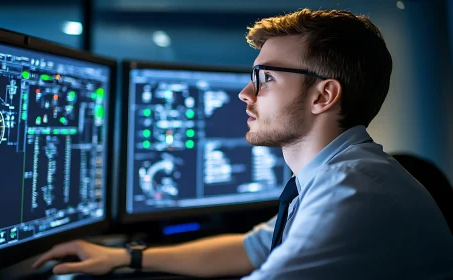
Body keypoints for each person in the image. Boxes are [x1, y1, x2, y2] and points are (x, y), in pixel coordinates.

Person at [32, 8, 453, 279]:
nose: (245, 94)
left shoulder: (351, 193)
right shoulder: (339, 173)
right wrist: (128, 257)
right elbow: (251, 248)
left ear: (323, 95)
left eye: (265, 78)